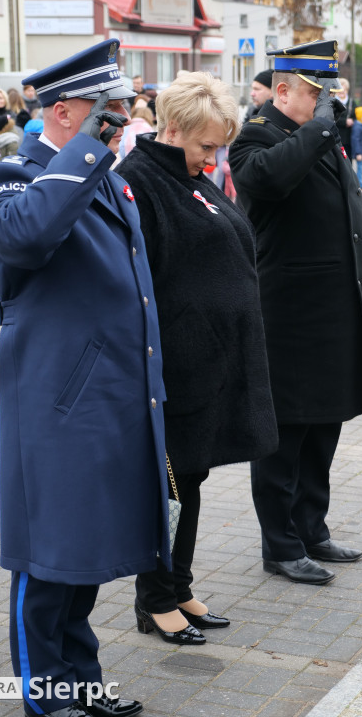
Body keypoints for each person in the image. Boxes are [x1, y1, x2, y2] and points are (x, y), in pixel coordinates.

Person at [0, 38, 171, 717]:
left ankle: (81, 686)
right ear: (64, 114)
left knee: (84, 559)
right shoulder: (14, 177)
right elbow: (25, 240)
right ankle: (45, 697)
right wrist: (86, 150)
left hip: (113, 395)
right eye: (107, 108)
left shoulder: (106, 176)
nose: (121, 118)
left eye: (122, 107)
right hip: (57, 405)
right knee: (49, 561)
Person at [116, 71, 277, 641]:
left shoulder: (191, 175)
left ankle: (179, 584)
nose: (213, 157)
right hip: (176, 368)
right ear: (175, 128)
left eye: (219, 147)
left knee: (192, 478)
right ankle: (153, 598)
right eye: (207, 145)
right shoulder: (139, 181)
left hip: (210, 364)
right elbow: (137, 283)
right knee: (171, 486)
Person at [229, 39, 362, 586]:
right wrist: (321, 127)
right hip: (288, 312)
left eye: (330, 94)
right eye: (319, 93)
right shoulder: (255, 137)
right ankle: (281, 543)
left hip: (334, 304)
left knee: (325, 422)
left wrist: (360, 260)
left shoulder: (317, 135)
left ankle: (311, 526)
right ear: (284, 90)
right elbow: (270, 180)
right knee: (285, 432)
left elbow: (344, 202)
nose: (329, 104)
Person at [335, 77, 356, 159]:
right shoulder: (333, 102)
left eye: (344, 90)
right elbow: (330, 117)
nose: (342, 92)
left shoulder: (351, 102)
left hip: (349, 137)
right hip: (337, 137)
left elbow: (356, 116)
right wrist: (344, 122)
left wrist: (352, 121)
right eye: (340, 90)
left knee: (348, 160)